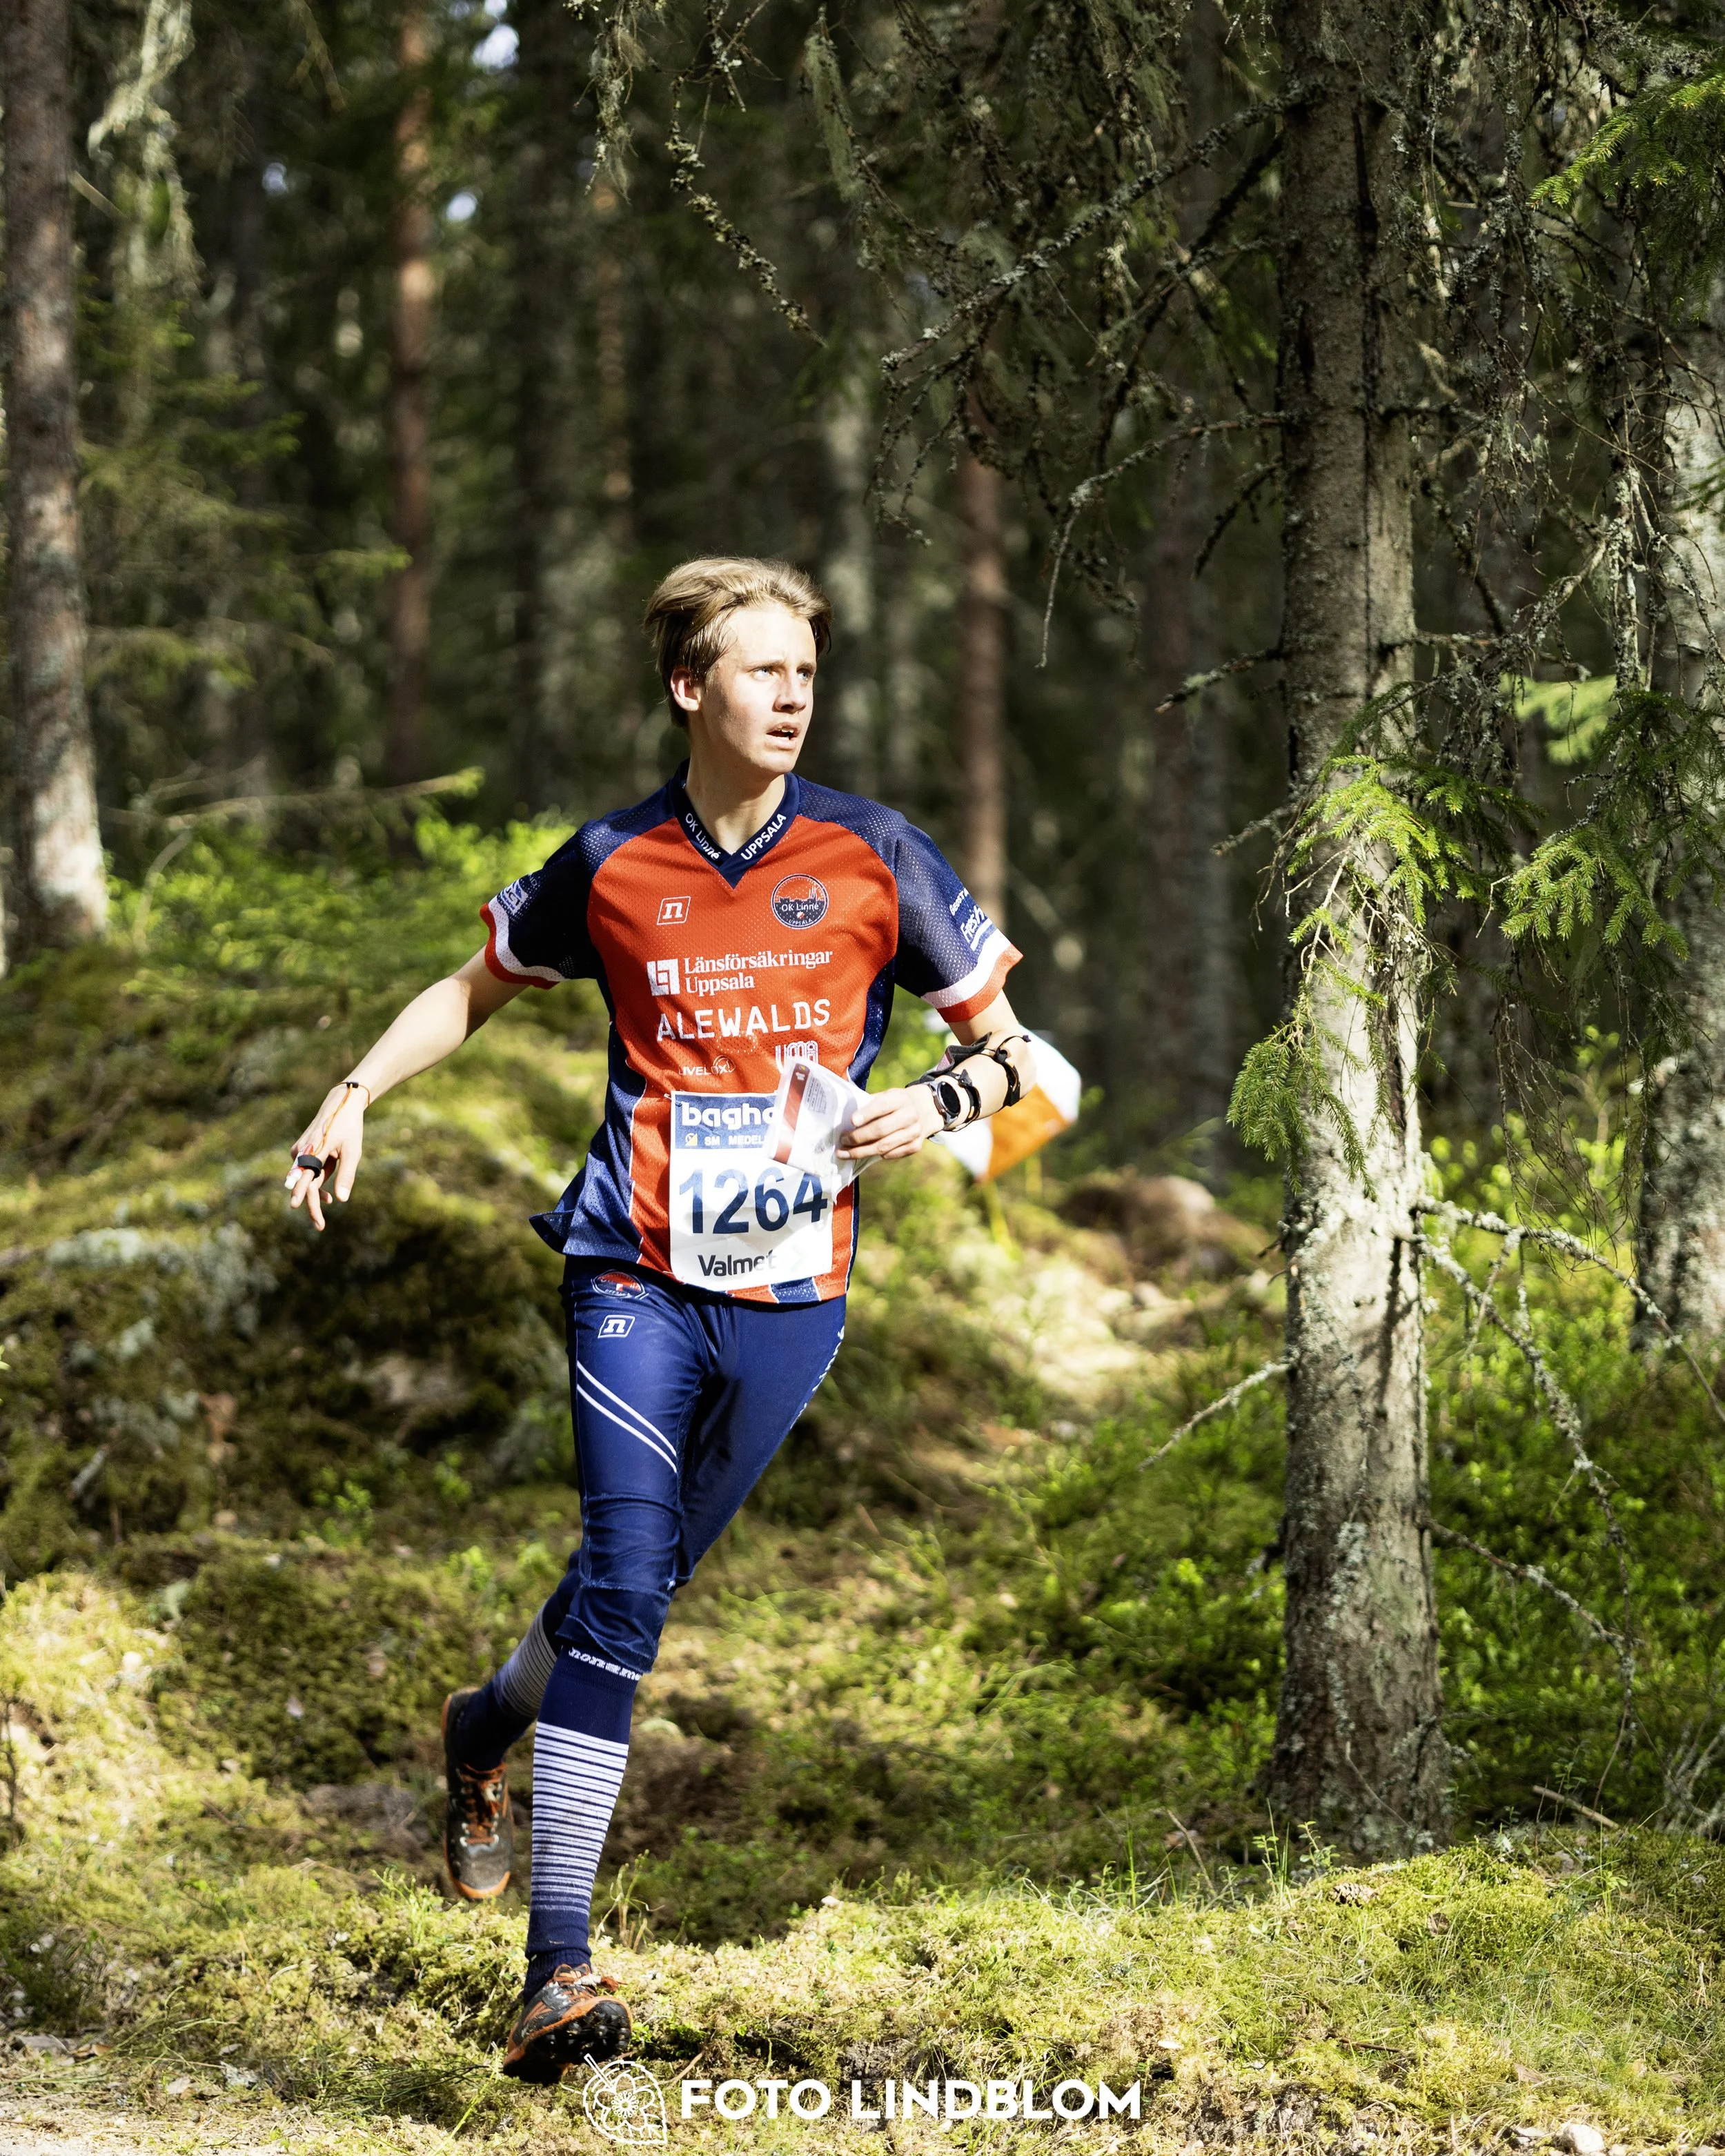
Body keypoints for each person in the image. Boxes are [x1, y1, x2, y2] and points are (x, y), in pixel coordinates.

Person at [286, 556, 1034, 2083]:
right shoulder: (612, 860)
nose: (791, 694)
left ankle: (485, 1724)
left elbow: (1029, 1065)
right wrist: (353, 1092)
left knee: (640, 1586)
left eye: (806, 674)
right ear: (689, 687)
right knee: (623, 1578)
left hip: (794, 1294)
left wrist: (936, 1100)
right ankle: (555, 1969)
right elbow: (473, 982)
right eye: (762, 671)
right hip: (627, 1267)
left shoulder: (874, 853)